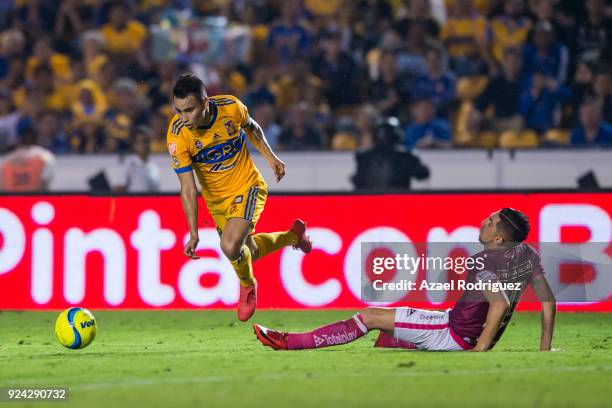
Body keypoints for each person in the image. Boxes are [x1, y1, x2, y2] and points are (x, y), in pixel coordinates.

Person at [254, 208, 557, 352]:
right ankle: (400, 343)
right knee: (386, 338)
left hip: (453, 333)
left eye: (490, 223)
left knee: (370, 316)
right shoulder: (527, 255)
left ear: (499, 237)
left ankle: (289, 342)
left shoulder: (484, 259)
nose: (483, 222)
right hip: (456, 326)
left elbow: (499, 304)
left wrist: (479, 348)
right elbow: (548, 303)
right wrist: (544, 350)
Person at [167, 73, 312, 321]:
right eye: (178, 111)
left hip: (248, 186)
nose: (184, 118)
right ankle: (292, 236)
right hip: (217, 202)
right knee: (248, 252)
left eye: (189, 110)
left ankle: (247, 285)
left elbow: (252, 128)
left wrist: (271, 158)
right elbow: (188, 187)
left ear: (205, 102)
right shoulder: (178, 136)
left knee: (230, 246)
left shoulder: (231, 108)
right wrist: (193, 231)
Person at [352, 117, 430, 190]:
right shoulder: (407, 155)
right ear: (397, 135)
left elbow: (422, 174)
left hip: (377, 201)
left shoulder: (364, 156)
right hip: (394, 201)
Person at [0, 127, 55, 192]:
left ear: (19, 140)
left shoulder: (5, 160)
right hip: (35, 199)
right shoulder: (46, 157)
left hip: (9, 200)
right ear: (38, 139)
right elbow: (45, 183)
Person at [118, 125, 160, 193]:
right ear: (134, 144)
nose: (145, 145)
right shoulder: (128, 163)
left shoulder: (154, 166)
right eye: (141, 141)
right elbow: (120, 186)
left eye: (147, 141)